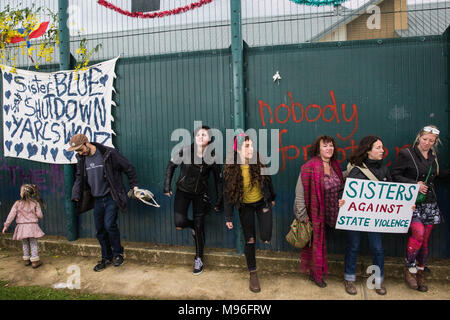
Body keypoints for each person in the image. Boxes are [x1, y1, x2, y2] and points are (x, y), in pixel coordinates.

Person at [391, 125, 449, 292]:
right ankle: (409, 269)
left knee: (424, 240)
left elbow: (435, 175)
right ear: (419, 138)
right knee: (418, 233)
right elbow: (395, 174)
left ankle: (420, 271)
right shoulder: (407, 154)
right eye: (425, 139)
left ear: (435, 142)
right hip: (412, 202)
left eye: (431, 141)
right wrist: (413, 184)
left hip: (429, 202)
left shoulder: (433, 156)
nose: (427, 143)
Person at [68, 134, 139, 272]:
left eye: (80, 149)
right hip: (97, 198)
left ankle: (118, 254)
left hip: (111, 195)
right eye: (77, 151)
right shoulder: (81, 159)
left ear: (87, 143)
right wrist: (76, 194)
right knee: (100, 229)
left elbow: (128, 167)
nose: (79, 153)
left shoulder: (108, 153)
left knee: (109, 224)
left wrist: (134, 186)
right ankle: (106, 257)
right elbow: (79, 177)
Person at [164, 125, 223, 275]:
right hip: (182, 191)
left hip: (200, 195)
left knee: (199, 226)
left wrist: (219, 199)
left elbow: (218, 181)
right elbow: (171, 165)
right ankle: (192, 226)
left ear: (209, 139)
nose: (200, 137)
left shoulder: (213, 157)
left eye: (204, 135)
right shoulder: (185, 150)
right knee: (179, 223)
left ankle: (199, 258)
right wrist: (167, 185)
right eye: (198, 135)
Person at [223, 131, 276, 293]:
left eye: (252, 145)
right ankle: (253, 274)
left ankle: (265, 234)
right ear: (238, 150)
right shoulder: (231, 169)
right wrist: (229, 216)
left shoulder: (259, 162)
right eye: (247, 146)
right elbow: (228, 194)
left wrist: (272, 198)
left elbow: (268, 182)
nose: (251, 149)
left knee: (266, 236)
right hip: (245, 207)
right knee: (250, 240)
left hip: (261, 204)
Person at [343, 136, 391, 296]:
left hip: (375, 219)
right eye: (378, 147)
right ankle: (349, 279)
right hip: (356, 219)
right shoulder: (356, 170)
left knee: (377, 249)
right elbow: (348, 194)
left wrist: (404, 206)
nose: (382, 150)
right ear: (368, 150)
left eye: (382, 147)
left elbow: (392, 195)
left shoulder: (384, 170)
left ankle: (378, 281)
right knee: (353, 247)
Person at [296, 135, 344, 288]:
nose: (329, 148)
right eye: (325, 146)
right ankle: (316, 274)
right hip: (315, 214)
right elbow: (300, 193)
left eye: (331, 146)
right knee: (316, 245)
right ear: (318, 149)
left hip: (334, 213)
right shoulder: (309, 167)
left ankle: (315, 272)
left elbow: (340, 185)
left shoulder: (335, 165)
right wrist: (302, 215)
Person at [2, 184, 45, 268]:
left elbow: (11, 215)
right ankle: (35, 261)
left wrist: (6, 226)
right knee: (33, 243)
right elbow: (40, 216)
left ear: (22, 194)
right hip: (32, 227)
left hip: (22, 227)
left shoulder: (17, 203)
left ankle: (26, 260)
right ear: (32, 193)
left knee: (25, 243)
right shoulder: (35, 203)